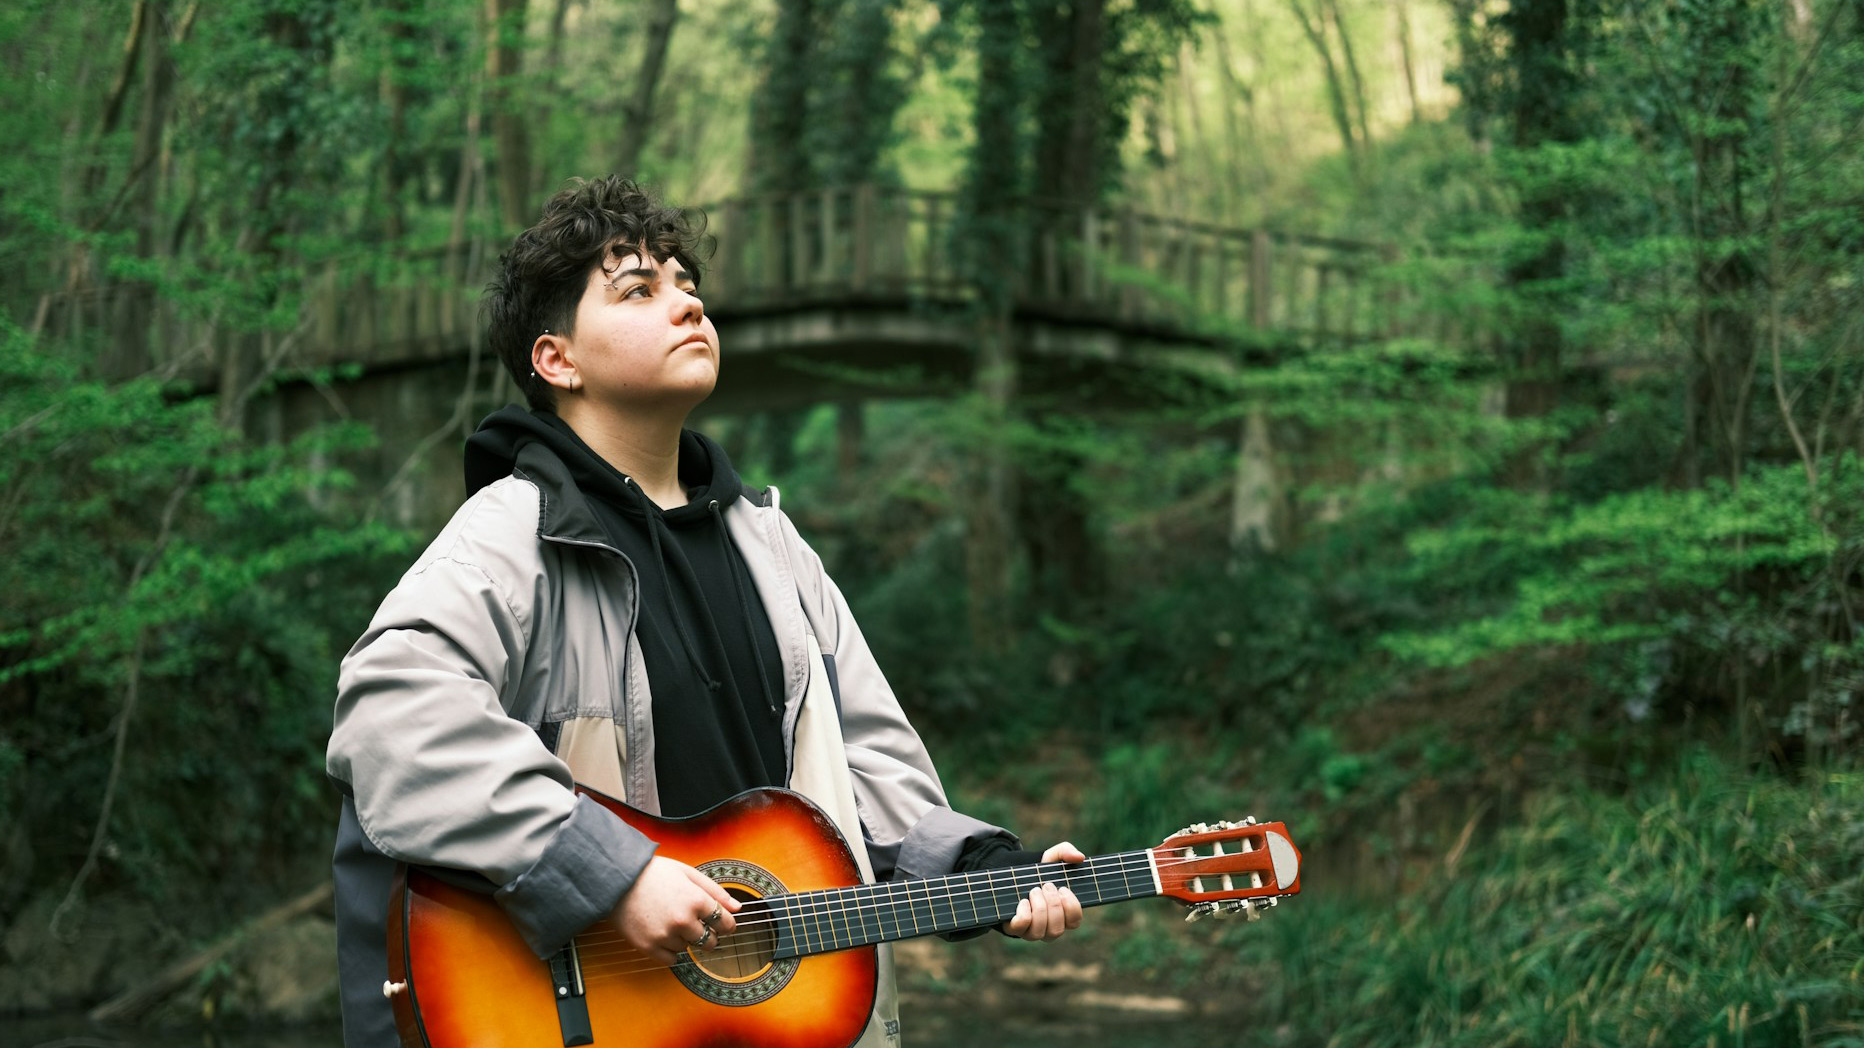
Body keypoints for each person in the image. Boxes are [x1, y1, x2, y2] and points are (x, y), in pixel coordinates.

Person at [325, 176, 1085, 1048]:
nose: (687, 304)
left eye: (689, 285)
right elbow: (389, 713)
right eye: (640, 291)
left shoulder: (772, 544)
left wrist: (981, 866)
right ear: (556, 360)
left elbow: (862, 758)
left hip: (765, 1018)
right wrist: (610, 873)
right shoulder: (512, 532)